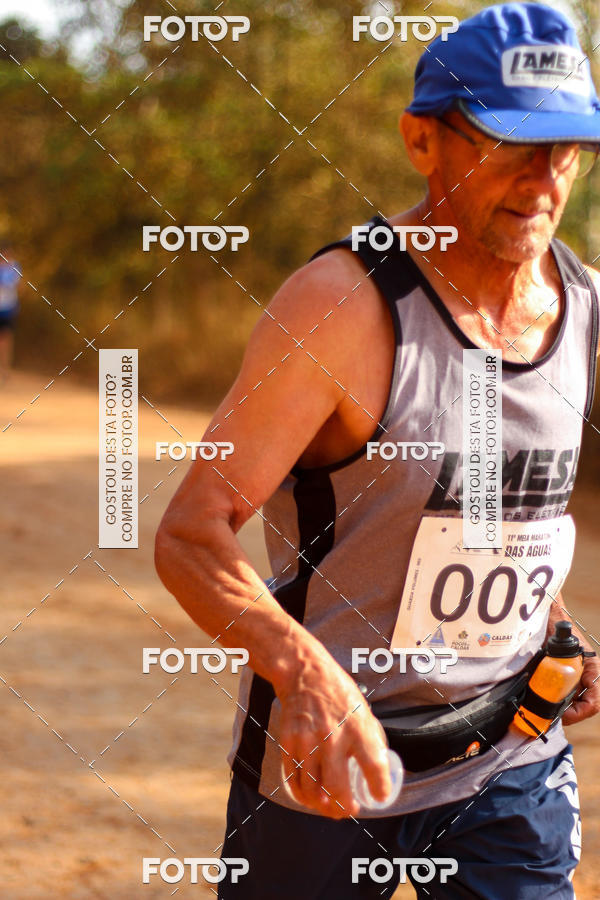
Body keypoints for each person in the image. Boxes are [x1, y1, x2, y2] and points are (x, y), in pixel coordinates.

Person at [155, 3, 600, 897]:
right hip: (324, 768)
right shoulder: (342, 308)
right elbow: (190, 535)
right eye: (510, 141)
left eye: (568, 149)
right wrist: (303, 673)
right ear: (421, 140)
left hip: (507, 758)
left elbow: (509, 510)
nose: (543, 180)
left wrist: (552, 627)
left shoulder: (585, 307)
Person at [0, 241, 21, 383]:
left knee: (5, 340)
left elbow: (17, 285)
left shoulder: (14, 268)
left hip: (8, 309)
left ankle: (5, 370)